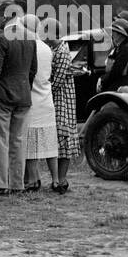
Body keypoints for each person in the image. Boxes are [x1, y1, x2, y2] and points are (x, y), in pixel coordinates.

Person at [0, 0, 37, 196]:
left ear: (5, 16)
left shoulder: (1, 38)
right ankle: (16, 183)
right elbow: (33, 70)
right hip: (23, 96)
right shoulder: (31, 37)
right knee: (18, 141)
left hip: (2, 96)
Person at [22, 16, 59, 191]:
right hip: (46, 98)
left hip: (32, 99)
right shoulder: (47, 48)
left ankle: (33, 179)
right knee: (49, 142)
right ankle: (56, 179)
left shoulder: (27, 47)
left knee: (30, 142)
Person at [47, 25, 79, 193]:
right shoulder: (59, 49)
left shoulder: (61, 52)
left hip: (62, 101)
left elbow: (57, 81)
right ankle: (60, 179)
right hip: (61, 99)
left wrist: (45, 92)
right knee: (61, 140)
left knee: (63, 138)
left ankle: (62, 179)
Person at [100, 17, 128, 92]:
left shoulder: (126, 49)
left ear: (120, 34)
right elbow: (109, 68)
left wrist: (102, 80)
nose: (112, 34)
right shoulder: (118, 48)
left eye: (114, 31)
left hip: (121, 90)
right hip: (115, 88)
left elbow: (116, 72)